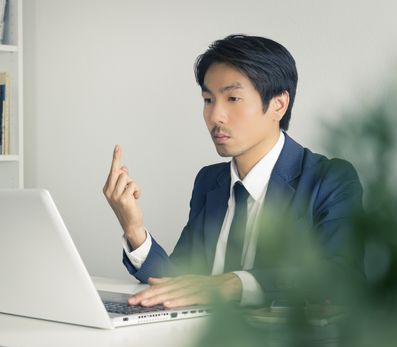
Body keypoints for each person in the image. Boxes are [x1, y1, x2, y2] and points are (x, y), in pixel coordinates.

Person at [103, 34, 364, 309]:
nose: (216, 116)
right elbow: (178, 282)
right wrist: (134, 229)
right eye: (208, 99)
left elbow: (341, 277)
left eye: (232, 98)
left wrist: (234, 284)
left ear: (278, 104)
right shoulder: (209, 181)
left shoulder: (329, 179)